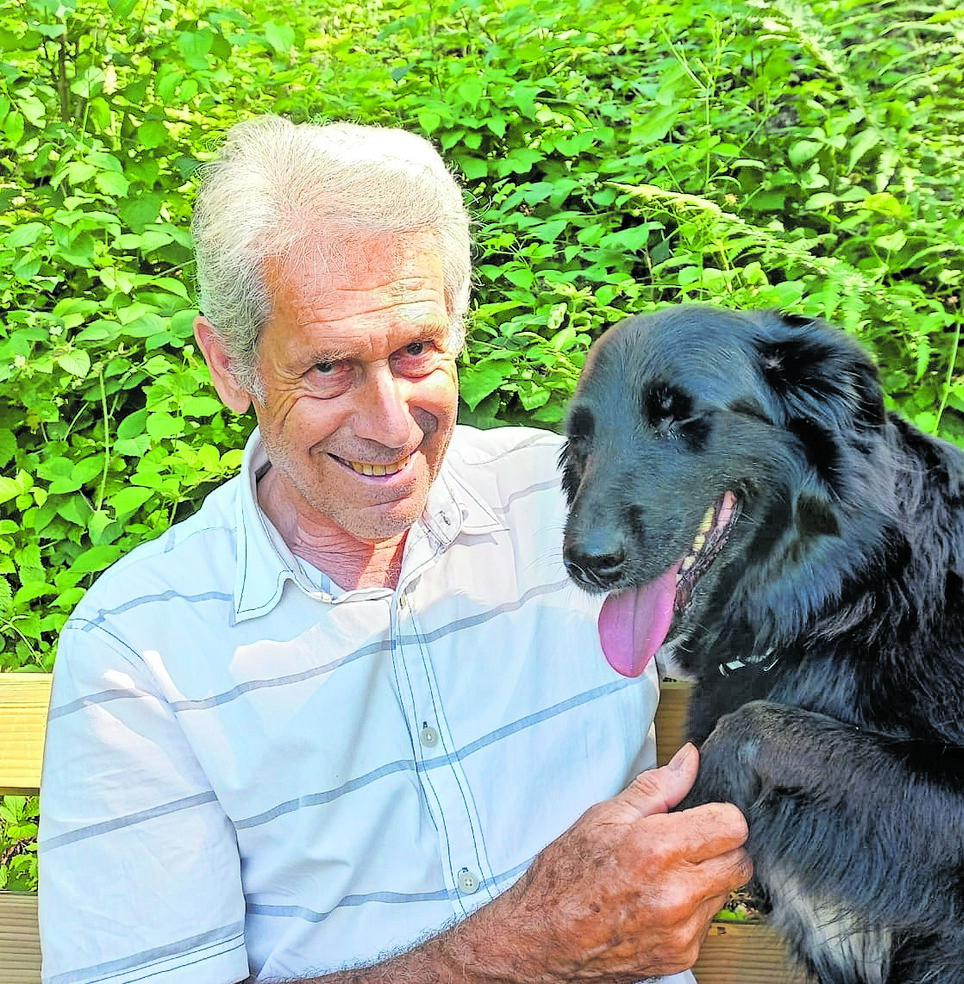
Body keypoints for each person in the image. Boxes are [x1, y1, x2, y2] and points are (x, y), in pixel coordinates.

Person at [37, 115, 751, 984]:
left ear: (458, 322)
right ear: (230, 365)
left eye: (416, 350)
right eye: (330, 366)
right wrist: (528, 948)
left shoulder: (579, 503)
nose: (389, 426)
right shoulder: (140, 649)